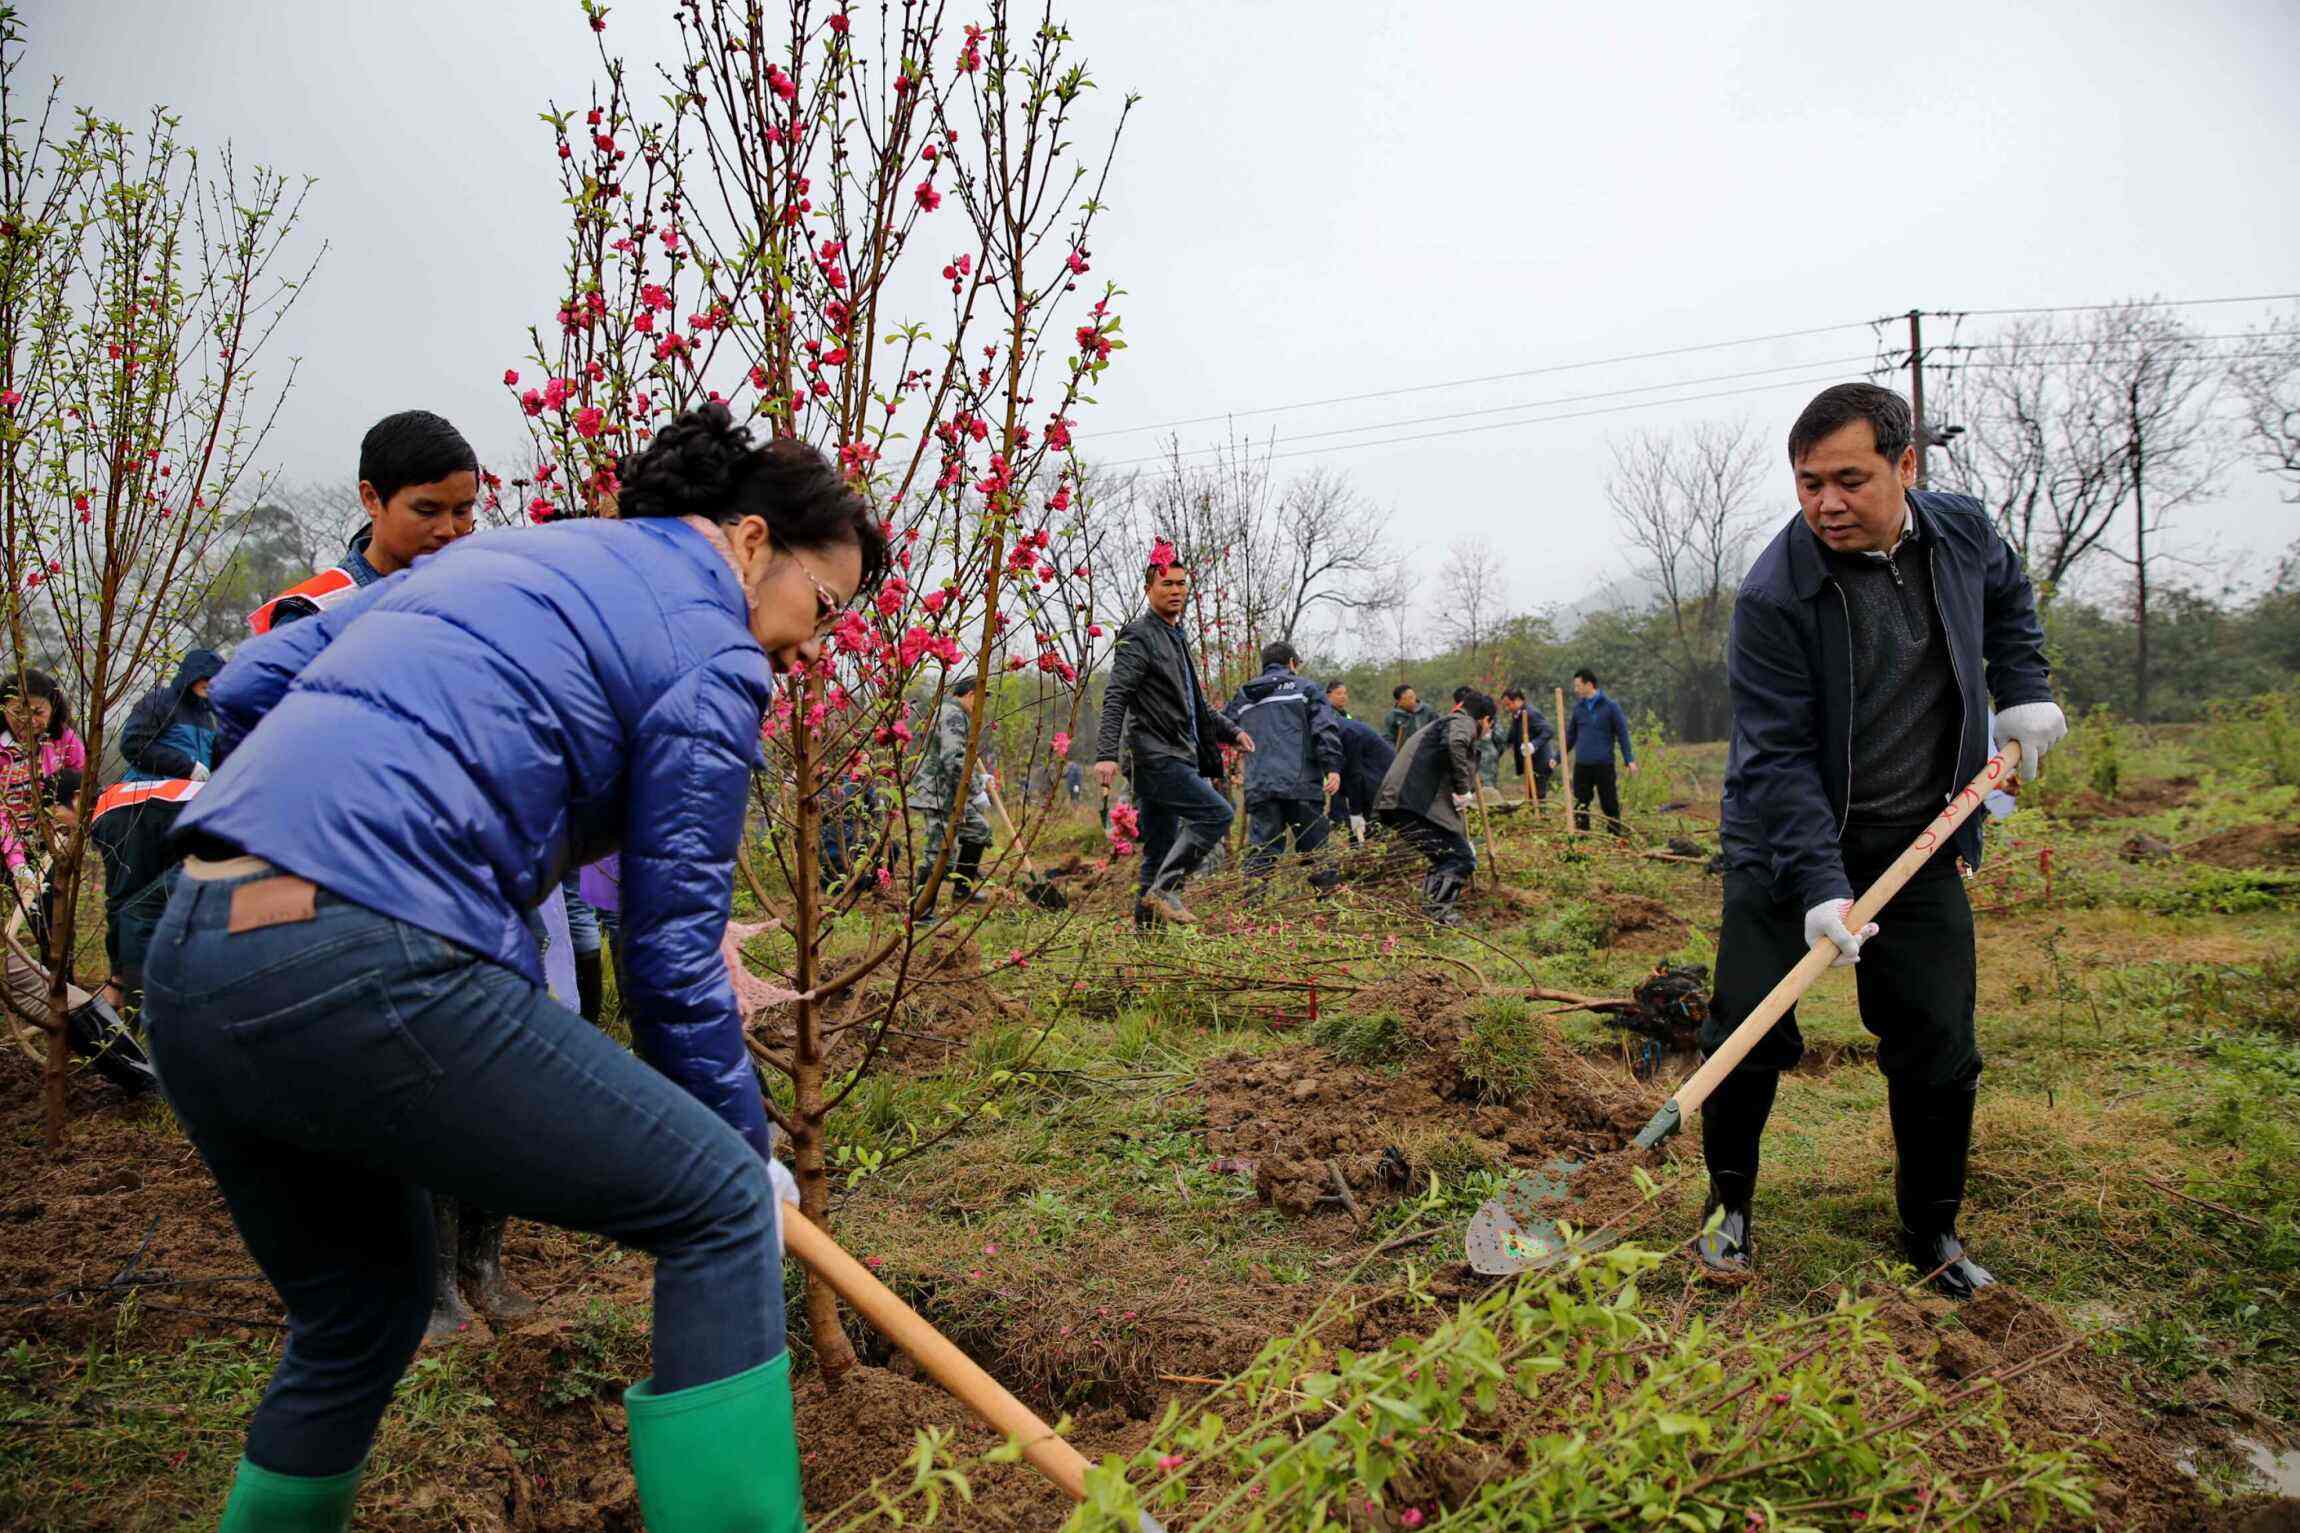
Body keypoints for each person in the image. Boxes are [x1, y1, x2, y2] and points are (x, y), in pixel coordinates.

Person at [144, 403, 885, 1532]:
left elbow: (248, 685)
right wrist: (745, 1152)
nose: (808, 644)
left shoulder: (507, 554)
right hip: (367, 959)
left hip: (196, 960)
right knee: (721, 1206)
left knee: (362, 1310)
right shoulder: (710, 643)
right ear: (746, 541)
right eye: (819, 606)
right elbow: (671, 957)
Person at [1698, 382, 2065, 1300]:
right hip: (1785, 843)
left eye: (1850, 479)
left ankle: (1931, 1226)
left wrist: (2021, 690)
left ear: (1906, 466)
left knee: (1939, 1040)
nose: (1826, 502)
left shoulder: (1963, 531)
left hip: (1925, 832)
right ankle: (1728, 1209)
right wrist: (1820, 885)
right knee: (1748, 1023)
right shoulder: (1775, 596)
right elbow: (1778, 760)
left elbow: (2011, 598)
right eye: (1808, 482)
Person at [1094, 551, 1253, 927]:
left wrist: (1232, 731)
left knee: (1159, 848)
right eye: (1167, 583)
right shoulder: (1139, 636)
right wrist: (1105, 753)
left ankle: (1146, 941)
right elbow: (1117, 694)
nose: (1176, 590)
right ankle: (1166, 890)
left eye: (1181, 584)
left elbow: (1195, 705)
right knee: (1217, 813)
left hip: (1175, 754)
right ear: (1149, 588)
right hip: (1154, 756)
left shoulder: (1174, 638)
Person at [248, 410, 481, 634]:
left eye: (462, 511)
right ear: (371, 498)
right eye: (427, 510)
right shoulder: (314, 616)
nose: (448, 530)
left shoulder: (480, 599)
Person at [1223, 642, 1342, 890]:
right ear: (1291, 663)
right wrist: (1332, 766)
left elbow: (1221, 727)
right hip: (1301, 783)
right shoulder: (1305, 688)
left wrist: (1236, 756)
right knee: (1316, 850)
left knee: (1262, 854)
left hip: (1260, 785)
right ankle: (1330, 909)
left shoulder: (1244, 694)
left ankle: (1251, 910)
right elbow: (1324, 728)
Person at [1375, 691, 1492, 925]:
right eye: (1490, 725)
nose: (1488, 731)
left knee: (1447, 858)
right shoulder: (1461, 722)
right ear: (1485, 719)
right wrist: (1462, 789)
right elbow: (1455, 743)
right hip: (1410, 803)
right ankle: (1436, 916)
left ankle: (1429, 914)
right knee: (1461, 858)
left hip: (1401, 803)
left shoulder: (1442, 725)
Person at [911, 674, 994, 922]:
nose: (982, 707)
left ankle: (961, 890)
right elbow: (953, 760)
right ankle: (921, 912)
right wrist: (977, 788)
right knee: (938, 852)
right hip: (937, 793)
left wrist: (979, 782)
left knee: (979, 830)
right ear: (970, 695)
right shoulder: (952, 715)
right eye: (981, 700)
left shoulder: (957, 715)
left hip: (952, 792)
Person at [3, 668, 87, 910]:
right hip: (6, 841)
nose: (28, 721)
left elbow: (81, 785)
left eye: (38, 712)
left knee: (53, 915)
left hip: (50, 846)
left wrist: (72, 816)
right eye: (17, 711)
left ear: (53, 710)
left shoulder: (66, 742)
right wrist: (17, 863)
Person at [120, 649, 226, 783]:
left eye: (216, 678)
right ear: (191, 674)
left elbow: (207, 763)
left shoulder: (206, 714)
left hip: (185, 796)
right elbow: (133, 746)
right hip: (146, 794)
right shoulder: (158, 701)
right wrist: (187, 767)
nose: (211, 682)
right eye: (206, 676)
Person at [1566, 668, 1636, 837]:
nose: (1575, 690)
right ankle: (1583, 836)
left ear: (1589, 685)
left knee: (1609, 802)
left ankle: (1615, 836)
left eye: (1578, 686)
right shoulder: (1578, 709)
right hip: (1582, 764)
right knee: (1581, 802)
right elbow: (1570, 736)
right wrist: (1557, 757)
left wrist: (1629, 759)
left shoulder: (1611, 707)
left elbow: (1623, 734)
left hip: (1604, 764)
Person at [1323, 680, 1394, 843]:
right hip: (1344, 782)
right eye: (1339, 693)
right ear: (1328, 696)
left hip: (1375, 780)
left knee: (1368, 826)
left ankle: (1369, 854)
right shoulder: (1331, 718)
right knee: (1353, 824)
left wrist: (1356, 811)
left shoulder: (1345, 728)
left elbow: (1354, 773)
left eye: (1345, 693)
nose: (1343, 697)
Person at [1500, 686, 1558, 803]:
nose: (1507, 708)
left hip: (1539, 763)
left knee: (1538, 797)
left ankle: (1541, 819)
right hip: (1529, 763)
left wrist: (1533, 745)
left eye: (1509, 704)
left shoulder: (1531, 713)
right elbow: (1512, 736)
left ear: (1517, 700)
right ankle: (1534, 817)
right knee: (1531, 796)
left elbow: (1549, 730)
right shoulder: (1517, 715)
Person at [1381, 683, 1437, 750]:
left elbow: (1438, 727)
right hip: (1405, 754)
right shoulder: (1392, 716)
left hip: (1427, 750)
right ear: (1399, 701)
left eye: (1413, 696)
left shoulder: (1427, 710)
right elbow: (1387, 739)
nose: (1412, 701)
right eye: (1407, 698)